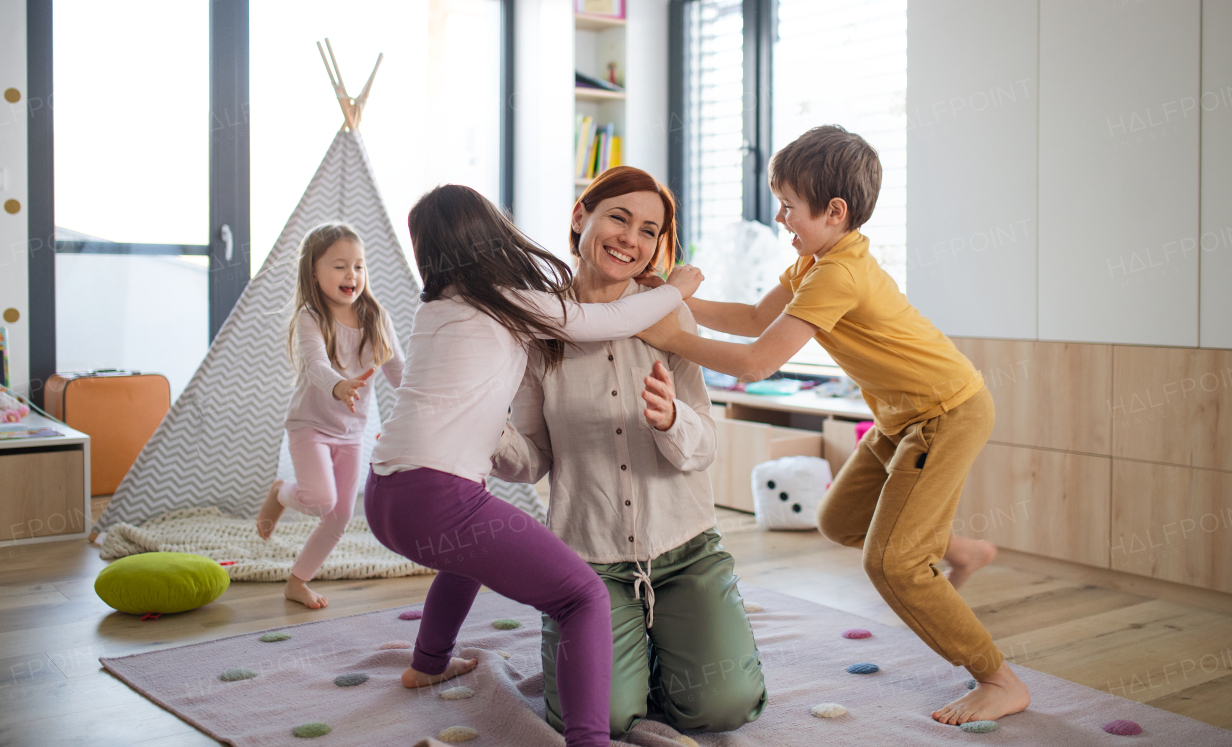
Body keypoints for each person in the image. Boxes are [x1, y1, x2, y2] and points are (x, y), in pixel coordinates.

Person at [636, 126, 1030, 726]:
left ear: (834, 211)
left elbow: (758, 362)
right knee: (838, 519)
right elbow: (750, 320)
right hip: (904, 417)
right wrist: (663, 302)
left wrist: (670, 335)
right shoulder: (814, 263)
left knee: (893, 565)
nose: (780, 216)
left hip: (944, 414)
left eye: (789, 205)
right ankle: (959, 549)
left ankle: (998, 678)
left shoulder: (836, 274)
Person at [363, 184, 704, 747]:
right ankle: (589, 741)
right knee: (582, 597)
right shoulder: (504, 298)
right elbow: (607, 320)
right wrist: (677, 289)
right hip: (438, 498)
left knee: (466, 556)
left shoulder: (435, 308)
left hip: (384, 496)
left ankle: (427, 662)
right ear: (492, 234)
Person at [491, 166, 767, 738]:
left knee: (724, 707)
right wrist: (483, 431)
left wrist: (672, 421)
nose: (631, 240)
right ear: (579, 217)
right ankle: (629, 657)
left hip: (685, 550)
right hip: (588, 564)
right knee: (606, 720)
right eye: (619, 217)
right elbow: (534, 457)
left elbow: (705, 445)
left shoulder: (671, 315)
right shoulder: (542, 327)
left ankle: (670, 650)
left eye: (648, 230)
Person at [256, 222, 404, 610]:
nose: (351, 275)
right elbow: (316, 365)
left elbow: (398, 372)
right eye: (339, 266)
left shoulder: (376, 316)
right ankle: (281, 493)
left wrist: (425, 399)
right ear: (313, 272)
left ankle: (297, 581)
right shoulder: (311, 317)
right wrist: (339, 385)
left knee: (339, 514)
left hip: (351, 433)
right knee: (322, 499)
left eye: (358, 266)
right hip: (310, 425)